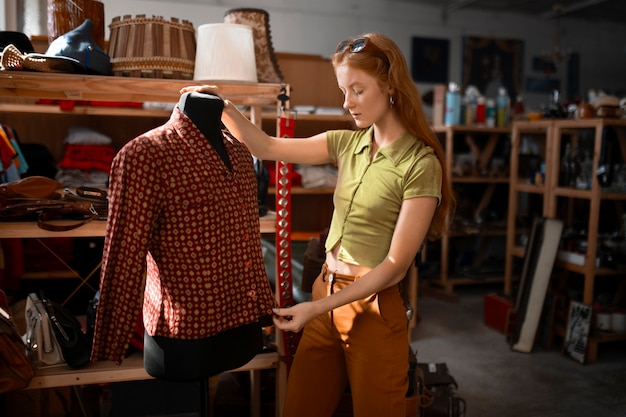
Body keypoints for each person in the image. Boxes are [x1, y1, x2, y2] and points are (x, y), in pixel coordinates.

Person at [181, 32, 455, 417]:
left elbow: (394, 267)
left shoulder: (419, 164)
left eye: (357, 90)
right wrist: (223, 105)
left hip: (372, 312)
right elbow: (267, 147)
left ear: (390, 85)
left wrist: (316, 308)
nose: (347, 103)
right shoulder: (346, 144)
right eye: (344, 90)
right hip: (324, 294)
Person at [91, 92, 276, 382]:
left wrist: (263, 304)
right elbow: (124, 253)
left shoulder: (240, 152)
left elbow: (248, 243)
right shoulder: (146, 153)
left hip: (243, 322)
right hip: (185, 336)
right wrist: (111, 341)